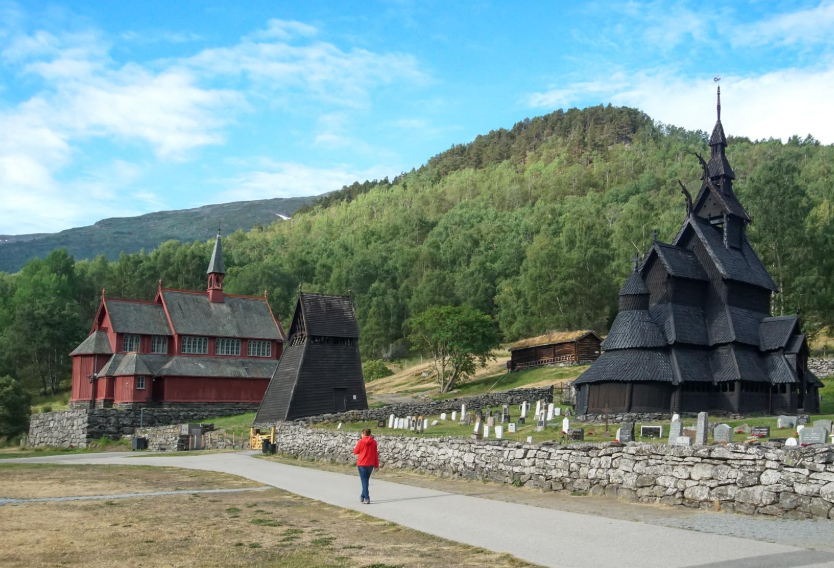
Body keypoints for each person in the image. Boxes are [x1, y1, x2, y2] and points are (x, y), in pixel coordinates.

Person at [353, 428, 379, 504]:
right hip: (370, 464)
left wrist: (356, 447)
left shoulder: (361, 442)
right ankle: (362, 496)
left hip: (362, 464)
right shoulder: (374, 442)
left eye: (362, 434)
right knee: (366, 481)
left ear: (363, 434)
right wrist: (376, 465)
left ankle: (367, 497)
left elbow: (355, 452)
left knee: (364, 481)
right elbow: (375, 454)